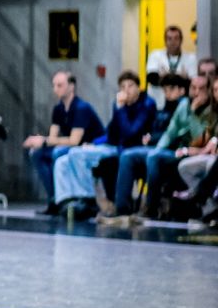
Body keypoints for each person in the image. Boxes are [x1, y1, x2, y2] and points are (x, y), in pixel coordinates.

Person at [55, 71, 156, 218]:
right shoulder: (119, 104)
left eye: (130, 86)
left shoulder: (146, 104)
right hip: (114, 145)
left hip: (130, 148)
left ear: (138, 88)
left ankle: (88, 200)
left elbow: (130, 133)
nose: (126, 90)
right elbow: (112, 132)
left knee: (76, 154)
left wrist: (120, 109)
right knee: (62, 161)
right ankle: (66, 201)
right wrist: (94, 143)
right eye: (123, 87)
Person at [106, 74, 189, 223]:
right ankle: (122, 209)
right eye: (165, 90)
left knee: (149, 156)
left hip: (174, 149)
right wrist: (117, 108)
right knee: (125, 156)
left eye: (171, 89)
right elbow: (113, 134)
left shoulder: (182, 106)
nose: (167, 93)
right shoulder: (164, 108)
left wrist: (152, 138)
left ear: (182, 90)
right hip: (156, 146)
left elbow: (175, 134)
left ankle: (151, 208)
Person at [22, 71, 105, 215]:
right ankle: (54, 199)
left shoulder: (81, 108)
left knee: (57, 152)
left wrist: (44, 141)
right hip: (72, 147)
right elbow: (52, 138)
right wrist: (41, 141)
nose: (55, 89)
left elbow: (74, 140)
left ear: (71, 87)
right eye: (54, 85)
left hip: (89, 147)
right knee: (37, 153)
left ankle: (65, 199)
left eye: (59, 85)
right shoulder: (58, 109)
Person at [146, 25, 199, 108]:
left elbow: (192, 83)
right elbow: (152, 78)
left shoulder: (191, 58)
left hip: (182, 104)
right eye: (169, 38)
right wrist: (181, 78)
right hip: (158, 102)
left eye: (176, 38)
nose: (173, 42)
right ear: (165, 41)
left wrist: (164, 76)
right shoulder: (155, 55)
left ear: (181, 40)